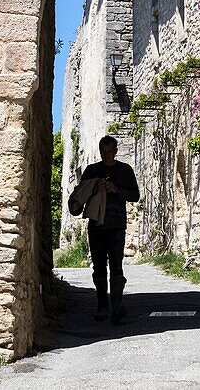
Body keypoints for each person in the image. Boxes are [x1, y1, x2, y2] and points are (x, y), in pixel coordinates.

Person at [69, 134, 140, 324]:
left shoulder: (125, 170)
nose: (106, 154)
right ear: (100, 151)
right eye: (103, 151)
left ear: (116, 151)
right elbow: (79, 194)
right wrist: (94, 188)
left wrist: (116, 190)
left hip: (117, 225)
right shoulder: (92, 171)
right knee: (99, 266)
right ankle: (102, 305)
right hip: (96, 226)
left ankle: (116, 305)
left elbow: (135, 195)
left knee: (116, 265)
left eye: (109, 151)